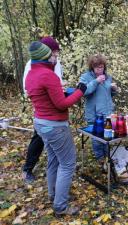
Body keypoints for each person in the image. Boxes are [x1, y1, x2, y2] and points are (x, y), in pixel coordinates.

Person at [25, 41, 86, 216]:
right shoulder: (48, 75)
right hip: (55, 126)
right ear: (45, 56)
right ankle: (60, 206)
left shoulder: (31, 74)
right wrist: (80, 91)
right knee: (67, 164)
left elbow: (46, 97)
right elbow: (61, 104)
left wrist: (65, 92)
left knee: (53, 159)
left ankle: (53, 194)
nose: (55, 57)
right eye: (52, 55)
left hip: (40, 122)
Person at [22, 36, 63, 183]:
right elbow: (28, 87)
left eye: (57, 52)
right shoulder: (32, 64)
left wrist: (60, 91)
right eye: (54, 51)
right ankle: (27, 169)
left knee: (55, 140)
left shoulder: (56, 62)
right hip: (44, 109)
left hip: (56, 107)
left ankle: (57, 169)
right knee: (38, 138)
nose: (56, 55)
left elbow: (57, 80)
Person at [79, 54, 118, 168]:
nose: (99, 70)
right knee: (97, 138)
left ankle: (108, 156)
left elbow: (109, 94)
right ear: (92, 67)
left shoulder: (107, 77)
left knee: (108, 136)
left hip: (107, 112)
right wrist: (96, 81)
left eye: (101, 67)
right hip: (94, 114)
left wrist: (114, 89)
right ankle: (100, 159)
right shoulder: (85, 77)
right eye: (97, 67)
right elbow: (84, 92)